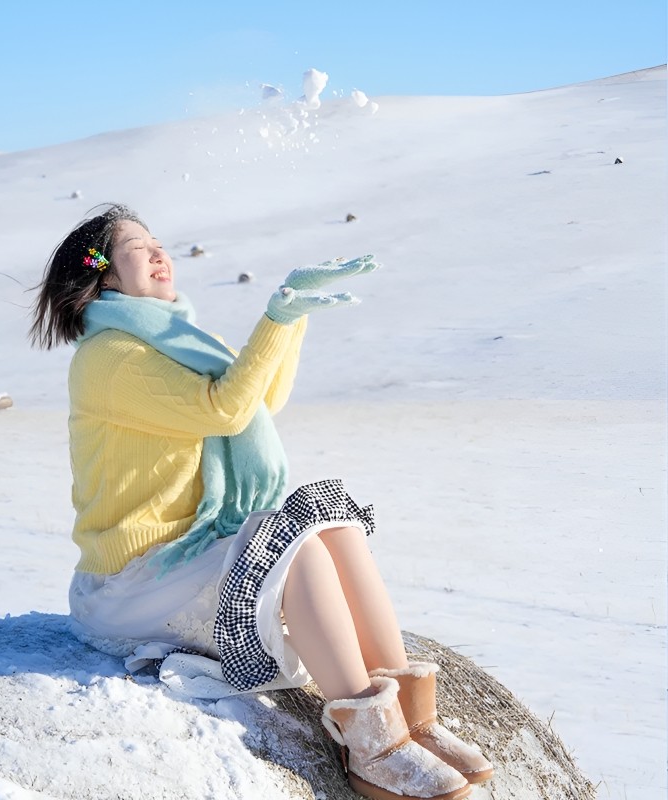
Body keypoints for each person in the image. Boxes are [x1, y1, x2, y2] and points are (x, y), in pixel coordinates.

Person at [30, 204, 493, 800]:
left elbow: (258, 402)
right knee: (291, 548)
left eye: (157, 242)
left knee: (331, 525)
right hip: (135, 581)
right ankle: (371, 745)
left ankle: (410, 717)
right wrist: (273, 318)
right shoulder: (111, 359)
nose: (158, 253)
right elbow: (222, 408)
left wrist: (290, 319)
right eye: (137, 248)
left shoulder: (175, 341)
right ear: (105, 278)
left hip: (187, 554)